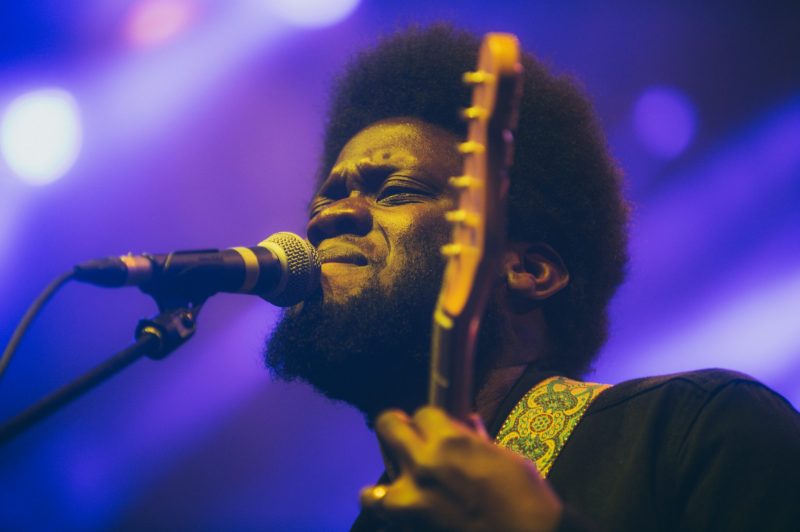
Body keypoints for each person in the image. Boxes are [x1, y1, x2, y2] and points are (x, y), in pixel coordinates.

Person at [263, 25, 800, 530]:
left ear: (528, 271)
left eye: (396, 191)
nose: (328, 217)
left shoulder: (701, 427)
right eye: (324, 200)